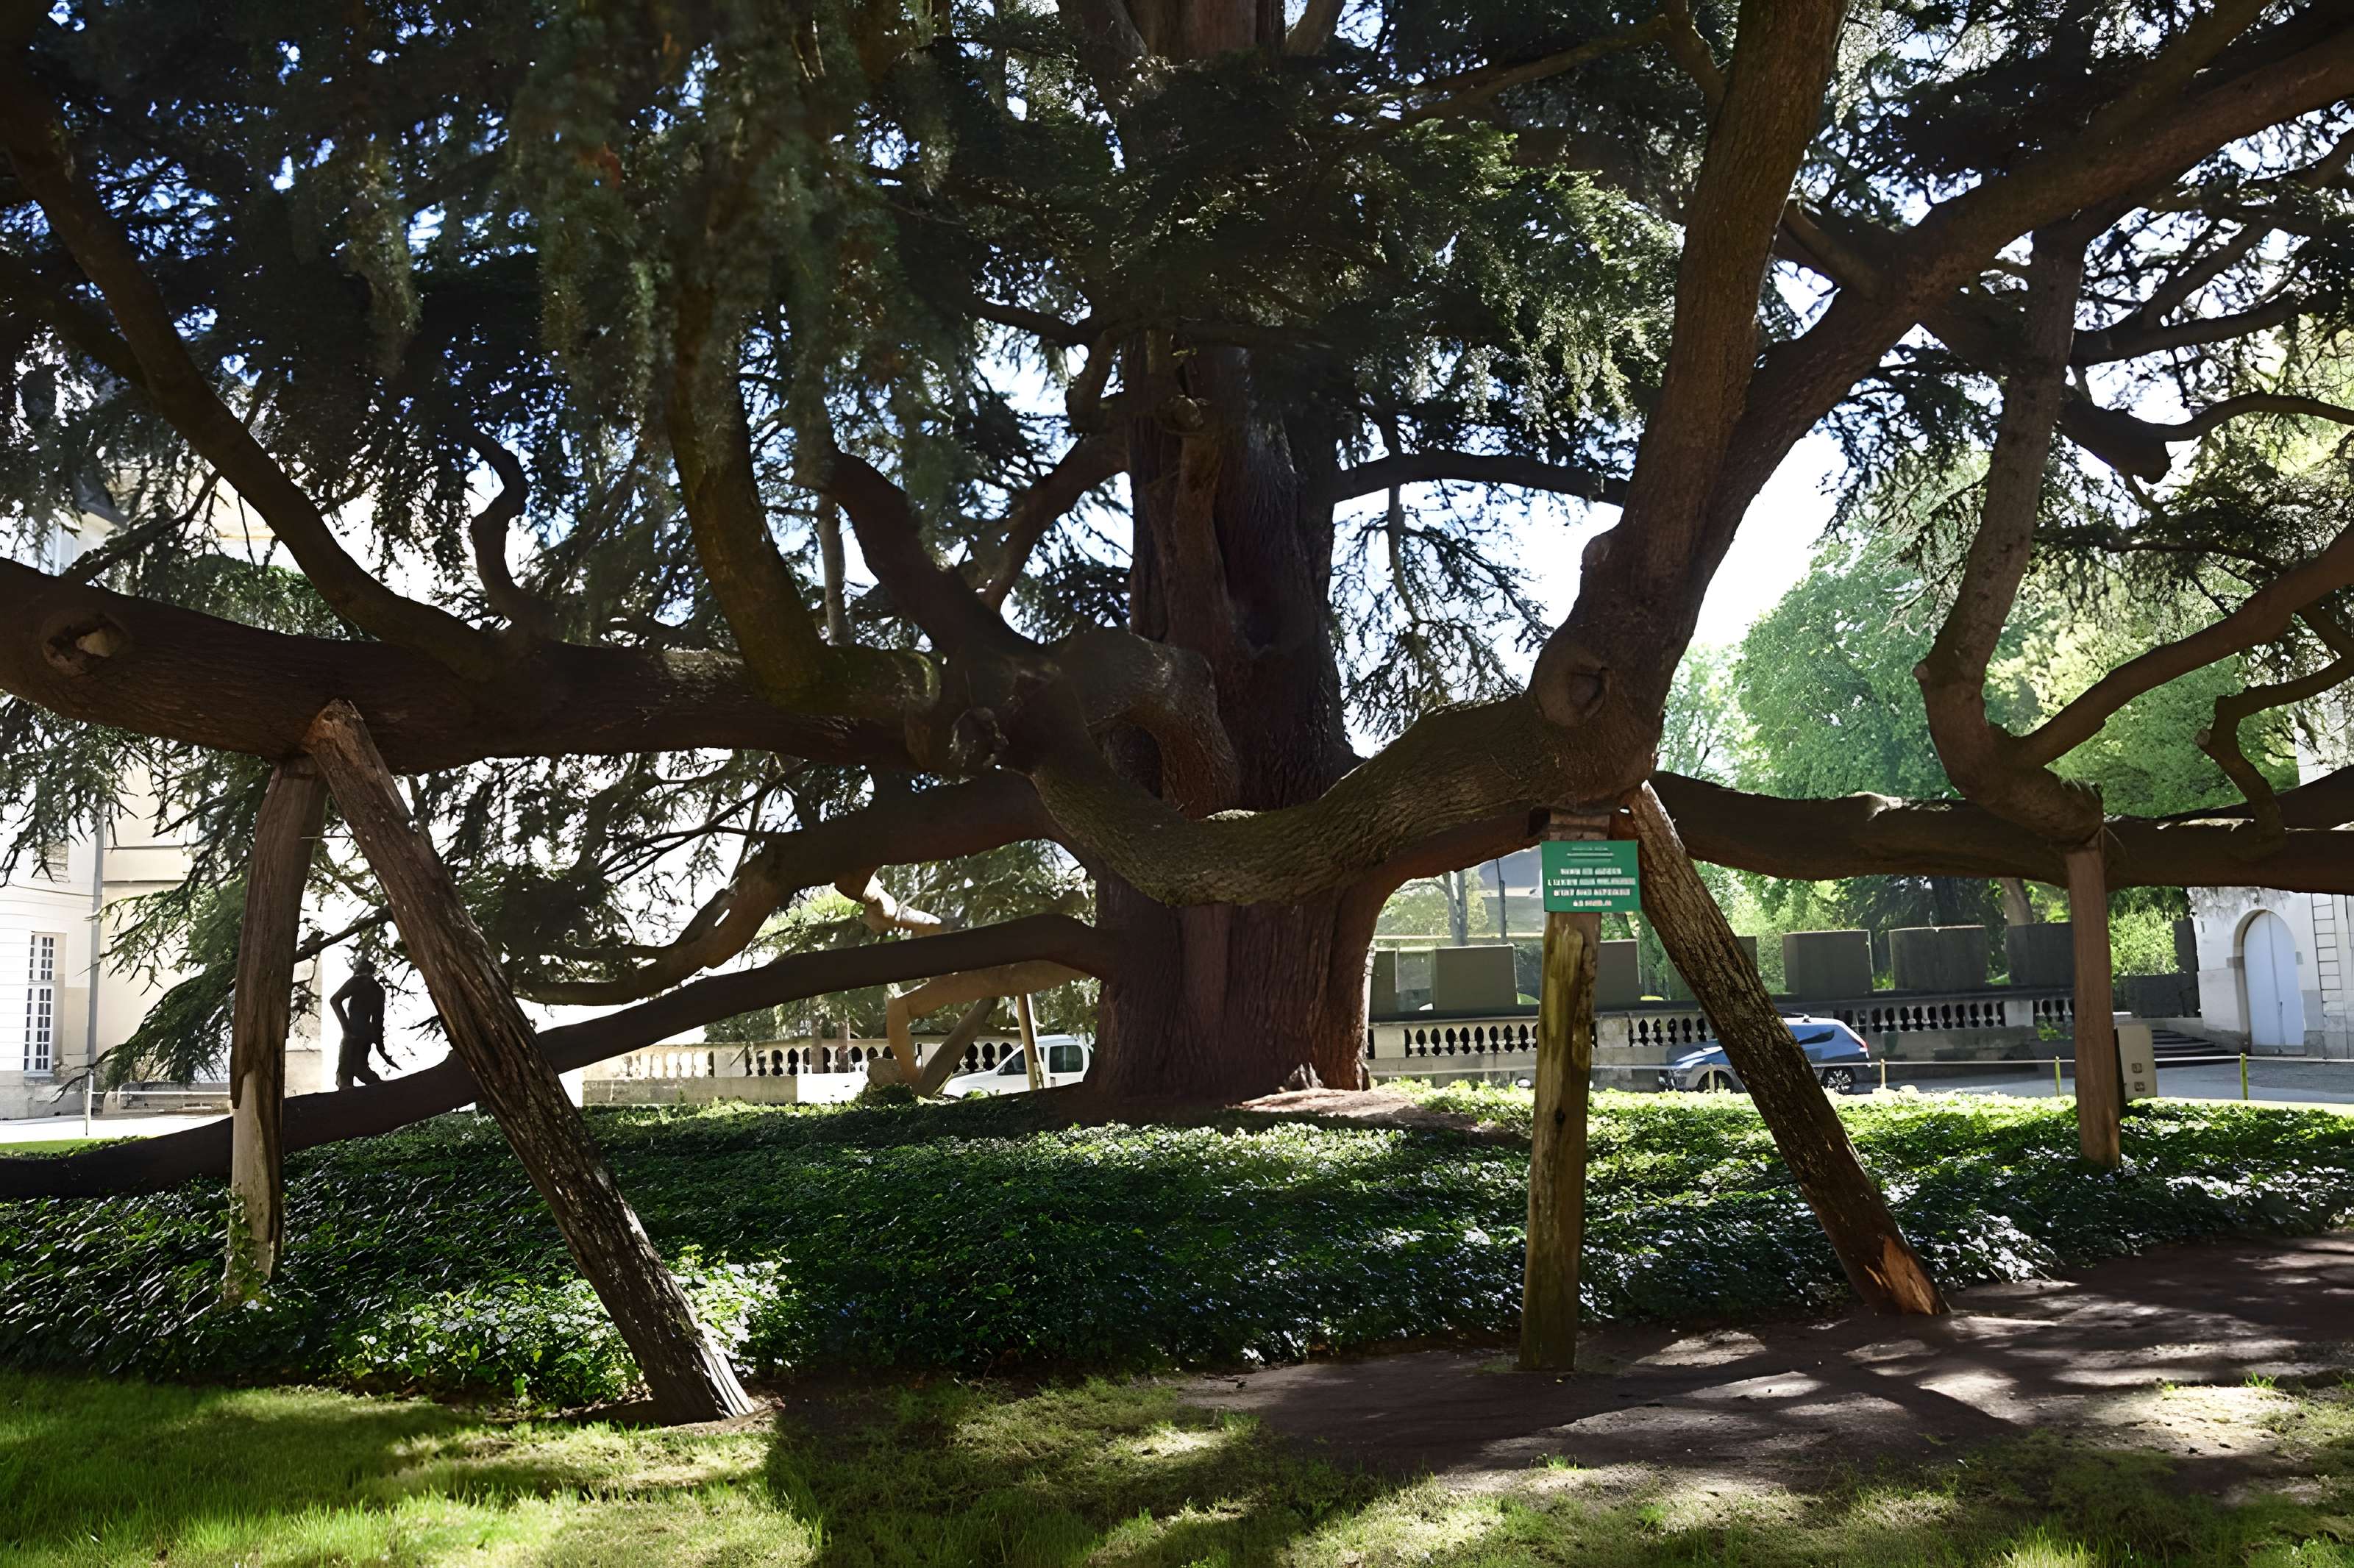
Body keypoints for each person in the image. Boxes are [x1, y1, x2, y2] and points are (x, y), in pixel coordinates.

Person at [330, 955, 396, 1090]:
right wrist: (380, 1048)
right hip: (366, 1034)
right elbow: (378, 1022)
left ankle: (384, 1090)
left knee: (344, 1076)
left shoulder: (357, 981)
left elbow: (334, 1000)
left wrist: (346, 1030)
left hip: (353, 1032)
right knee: (361, 1070)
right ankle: (384, 1089)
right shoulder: (378, 990)